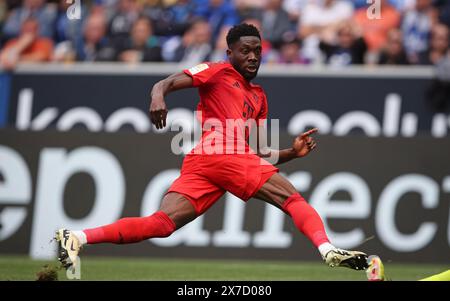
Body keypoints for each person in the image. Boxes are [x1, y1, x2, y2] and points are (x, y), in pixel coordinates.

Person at [55, 23, 369, 272]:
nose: (252, 57)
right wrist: (157, 97)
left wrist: (291, 152)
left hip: (211, 161)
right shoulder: (218, 71)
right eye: (245, 51)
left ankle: (77, 238)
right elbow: (165, 82)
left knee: (162, 224)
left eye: (257, 51)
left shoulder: (259, 97)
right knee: (292, 198)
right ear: (230, 52)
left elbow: (258, 151)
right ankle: (327, 250)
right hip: (219, 150)